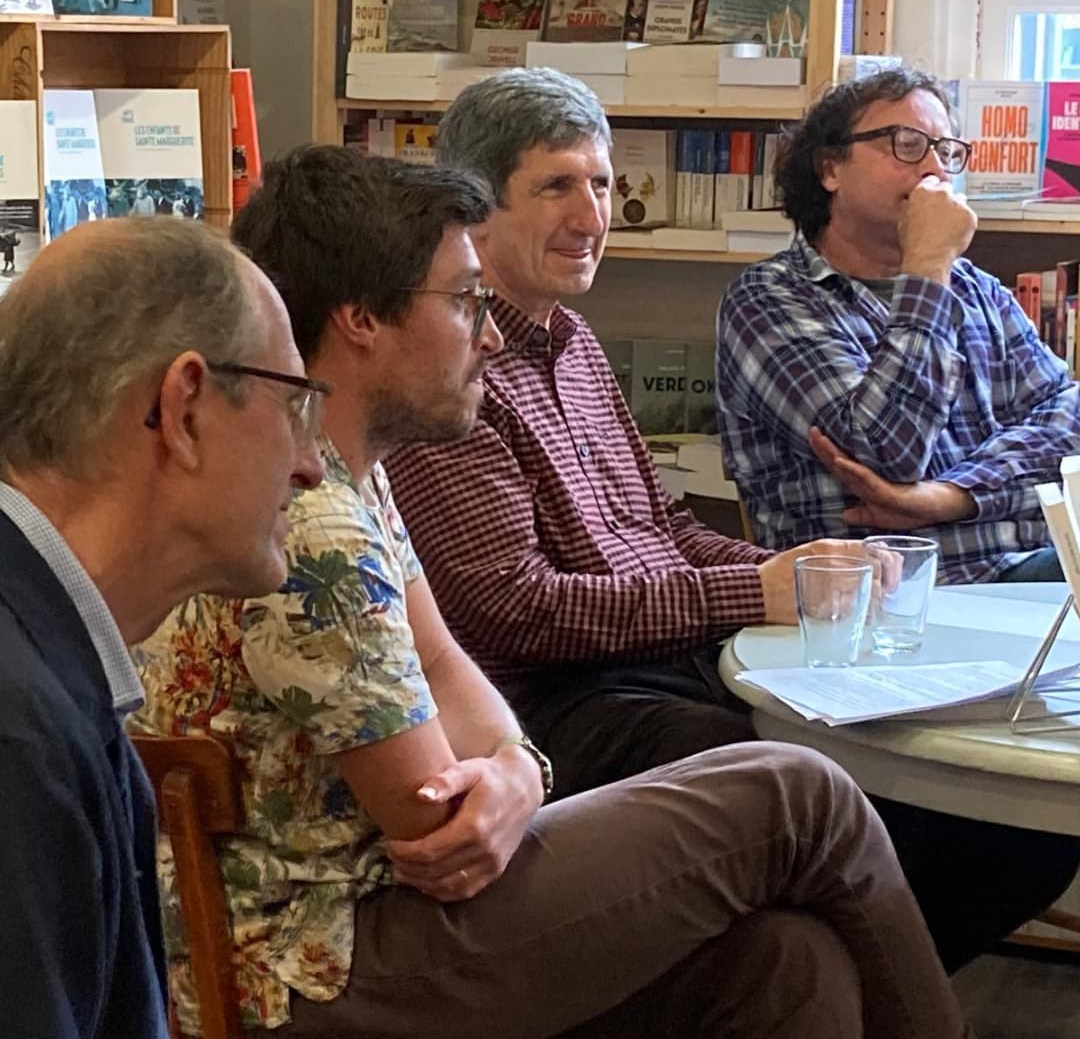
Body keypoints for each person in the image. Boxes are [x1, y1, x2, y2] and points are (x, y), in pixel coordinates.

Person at [133, 148, 971, 1038]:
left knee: (788, 964)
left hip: (379, 920)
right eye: (465, 301)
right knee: (799, 791)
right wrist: (512, 779)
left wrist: (517, 769)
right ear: (361, 320)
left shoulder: (348, 473)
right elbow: (439, 827)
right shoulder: (314, 524)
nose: (490, 335)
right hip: (319, 963)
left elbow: (442, 661)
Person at [382, 66, 1080, 975]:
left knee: (999, 829)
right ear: (476, 208)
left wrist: (804, 565)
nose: (594, 215)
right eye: (557, 186)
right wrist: (754, 590)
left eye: (602, 183)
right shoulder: (455, 372)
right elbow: (517, 611)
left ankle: (853, 987)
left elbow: (663, 524)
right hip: (567, 696)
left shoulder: (574, 342)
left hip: (680, 654)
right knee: (824, 799)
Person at [0, 217, 324, 1037]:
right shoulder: (18, 733)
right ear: (182, 409)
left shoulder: (44, 665)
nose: (310, 466)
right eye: (293, 406)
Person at [715, 66, 1080, 585]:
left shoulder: (975, 289)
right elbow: (887, 454)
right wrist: (927, 264)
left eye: (946, 151)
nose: (935, 170)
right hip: (887, 598)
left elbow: (1070, 424)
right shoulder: (769, 299)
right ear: (830, 169)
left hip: (1027, 576)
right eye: (906, 144)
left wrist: (951, 497)